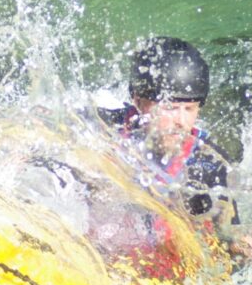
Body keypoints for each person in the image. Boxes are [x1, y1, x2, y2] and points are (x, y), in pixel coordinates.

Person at [97, 36, 242, 244]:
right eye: (170, 108)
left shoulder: (211, 166)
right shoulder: (103, 127)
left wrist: (241, 247)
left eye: (190, 109)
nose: (181, 122)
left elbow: (227, 240)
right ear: (138, 100)